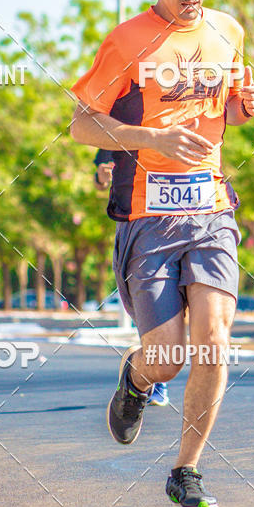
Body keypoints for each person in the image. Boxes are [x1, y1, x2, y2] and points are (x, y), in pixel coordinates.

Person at [70, 0, 254, 507]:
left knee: (215, 341)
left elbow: (231, 107)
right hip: (148, 218)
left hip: (211, 210)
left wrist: (247, 106)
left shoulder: (227, 31)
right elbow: (82, 125)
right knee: (167, 357)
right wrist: (149, 137)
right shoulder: (127, 41)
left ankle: (187, 470)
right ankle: (136, 380)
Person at [94, 150, 169, 407]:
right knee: (148, 302)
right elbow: (100, 177)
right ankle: (155, 377)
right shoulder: (118, 131)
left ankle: (153, 368)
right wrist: (102, 176)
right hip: (137, 223)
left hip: (184, 222)